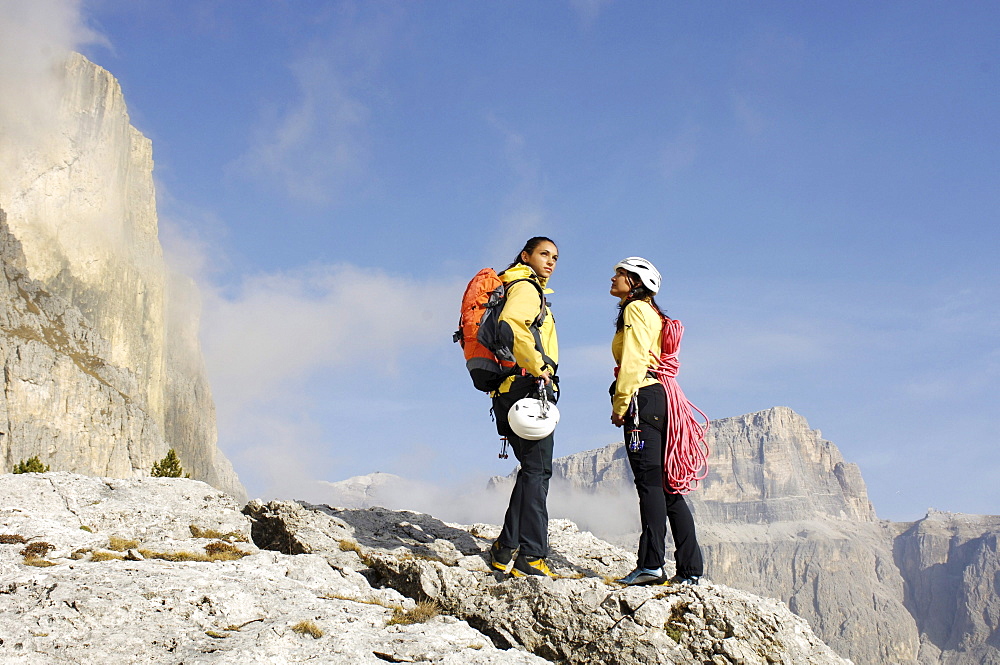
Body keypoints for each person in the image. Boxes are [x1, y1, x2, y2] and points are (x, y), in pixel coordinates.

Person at [609, 256, 704, 586]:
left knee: (648, 485)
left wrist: (621, 404)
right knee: (668, 487)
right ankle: (690, 569)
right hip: (663, 401)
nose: (613, 278)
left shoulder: (635, 310)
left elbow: (634, 360)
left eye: (619, 274)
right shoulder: (655, 315)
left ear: (635, 282)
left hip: (641, 401)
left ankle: (651, 564)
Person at [488, 236, 559, 578]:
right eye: (544, 254)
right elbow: (513, 326)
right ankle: (532, 556)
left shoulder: (512, 285)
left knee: (531, 470)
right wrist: (540, 368)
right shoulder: (526, 288)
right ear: (525, 255)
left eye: (555, 257)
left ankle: (505, 549)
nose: (551, 261)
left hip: (505, 391)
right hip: (526, 388)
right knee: (538, 472)